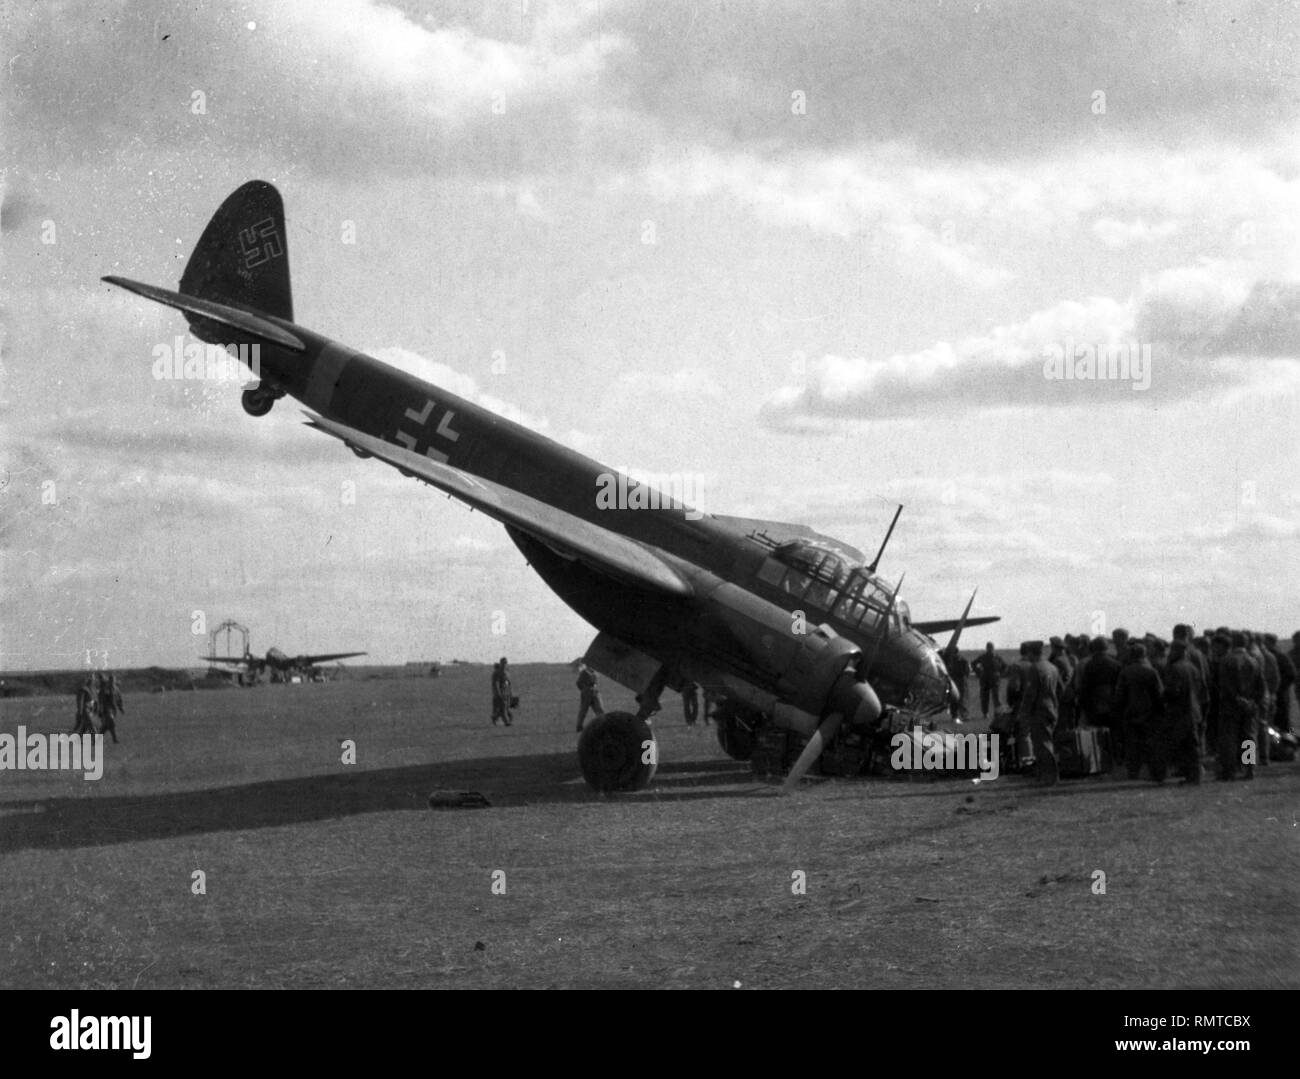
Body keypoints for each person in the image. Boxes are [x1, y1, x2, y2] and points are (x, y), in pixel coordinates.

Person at [1213, 632, 1264, 780]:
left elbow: (1225, 685)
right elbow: (1261, 685)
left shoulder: (1226, 660)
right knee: (1249, 738)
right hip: (1250, 706)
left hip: (1231, 705)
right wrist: (1253, 701)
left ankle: (1230, 770)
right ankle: (1249, 769)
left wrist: (1237, 698)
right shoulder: (1254, 661)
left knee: (1229, 738)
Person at [1114, 642, 1164, 780]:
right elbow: (1159, 694)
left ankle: (1133, 773)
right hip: (1150, 713)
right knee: (1151, 744)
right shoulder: (1151, 671)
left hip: (1131, 713)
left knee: (1132, 746)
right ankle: (1155, 773)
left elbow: (1119, 696)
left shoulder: (1126, 672)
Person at [1160, 640, 1203, 784]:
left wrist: (1163, 696)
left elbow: (1174, 691)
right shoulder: (1193, 668)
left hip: (1180, 711)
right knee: (1249, 736)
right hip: (1193, 709)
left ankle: (1191, 775)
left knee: (1185, 745)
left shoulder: (1175, 668)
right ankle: (1249, 766)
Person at [1018, 640, 1061, 785]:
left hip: (1039, 711)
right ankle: (1046, 775)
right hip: (1051, 708)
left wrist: (1024, 712)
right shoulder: (1052, 667)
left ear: (1031, 652)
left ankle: (1049, 777)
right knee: (1047, 742)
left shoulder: (1035, 669)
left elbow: (1030, 694)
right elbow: (1059, 689)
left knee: (1042, 745)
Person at [1265, 633, 1294, 734]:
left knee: (1282, 721)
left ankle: (1287, 742)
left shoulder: (1280, 657)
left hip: (1280, 694)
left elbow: (1291, 674)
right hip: (1277, 692)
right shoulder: (1279, 656)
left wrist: (1279, 686)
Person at [971, 642, 1005, 721]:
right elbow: (973, 663)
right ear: (987, 648)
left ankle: (998, 714)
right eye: (989, 648)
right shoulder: (983, 657)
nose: (990, 649)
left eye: (991, 648)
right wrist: (978, 672)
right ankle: (985, 713)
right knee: (984, 697)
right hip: (985, 679)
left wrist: (1000, 674)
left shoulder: (997, 657)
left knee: (996, 698)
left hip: (995, 680)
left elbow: (1004, 666)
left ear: (993, 648)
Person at [942, 645, 971, 721]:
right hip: (954, 682)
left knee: (962, 699)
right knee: (953, 699)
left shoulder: (963, 661)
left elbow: (967, 671)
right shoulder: (950, 661)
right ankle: (954, 716)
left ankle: (964, 716)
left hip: (961, 682)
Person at [575, 662, 603, 732]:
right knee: (583, 710)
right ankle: (579, 726)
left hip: (595, 692)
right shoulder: (584, 673)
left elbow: (595, 683)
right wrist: (584, 689)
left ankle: (603, 725)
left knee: (599, 709)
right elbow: (578, 683)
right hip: (587, 693)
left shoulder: (594, 673)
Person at [97, 672, 123, 744]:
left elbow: (119, 699)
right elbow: (101, 700)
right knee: (111, 722)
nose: (111, 682)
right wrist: (100, 709)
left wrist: (121, 708)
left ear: (114, 681)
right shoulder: (105, 689)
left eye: (113, 680)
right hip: (107, 709)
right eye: (110, 680)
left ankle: (97, 740)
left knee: (106, 725)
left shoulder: (116, 689)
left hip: (113, 710)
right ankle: (115, 739)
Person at [490, 658, 513, 727]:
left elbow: (508, 683)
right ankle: (506, 723)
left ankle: (495, 716)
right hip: (499, 693)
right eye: (503, 663)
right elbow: (496, 683)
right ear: (500, 663)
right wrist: (498, 693)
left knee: (505, 708)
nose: (504, 664)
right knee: (503, 708)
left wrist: (510, 692)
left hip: (506, 693)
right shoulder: (497, 673)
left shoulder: (506, 672)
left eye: (505, 663)